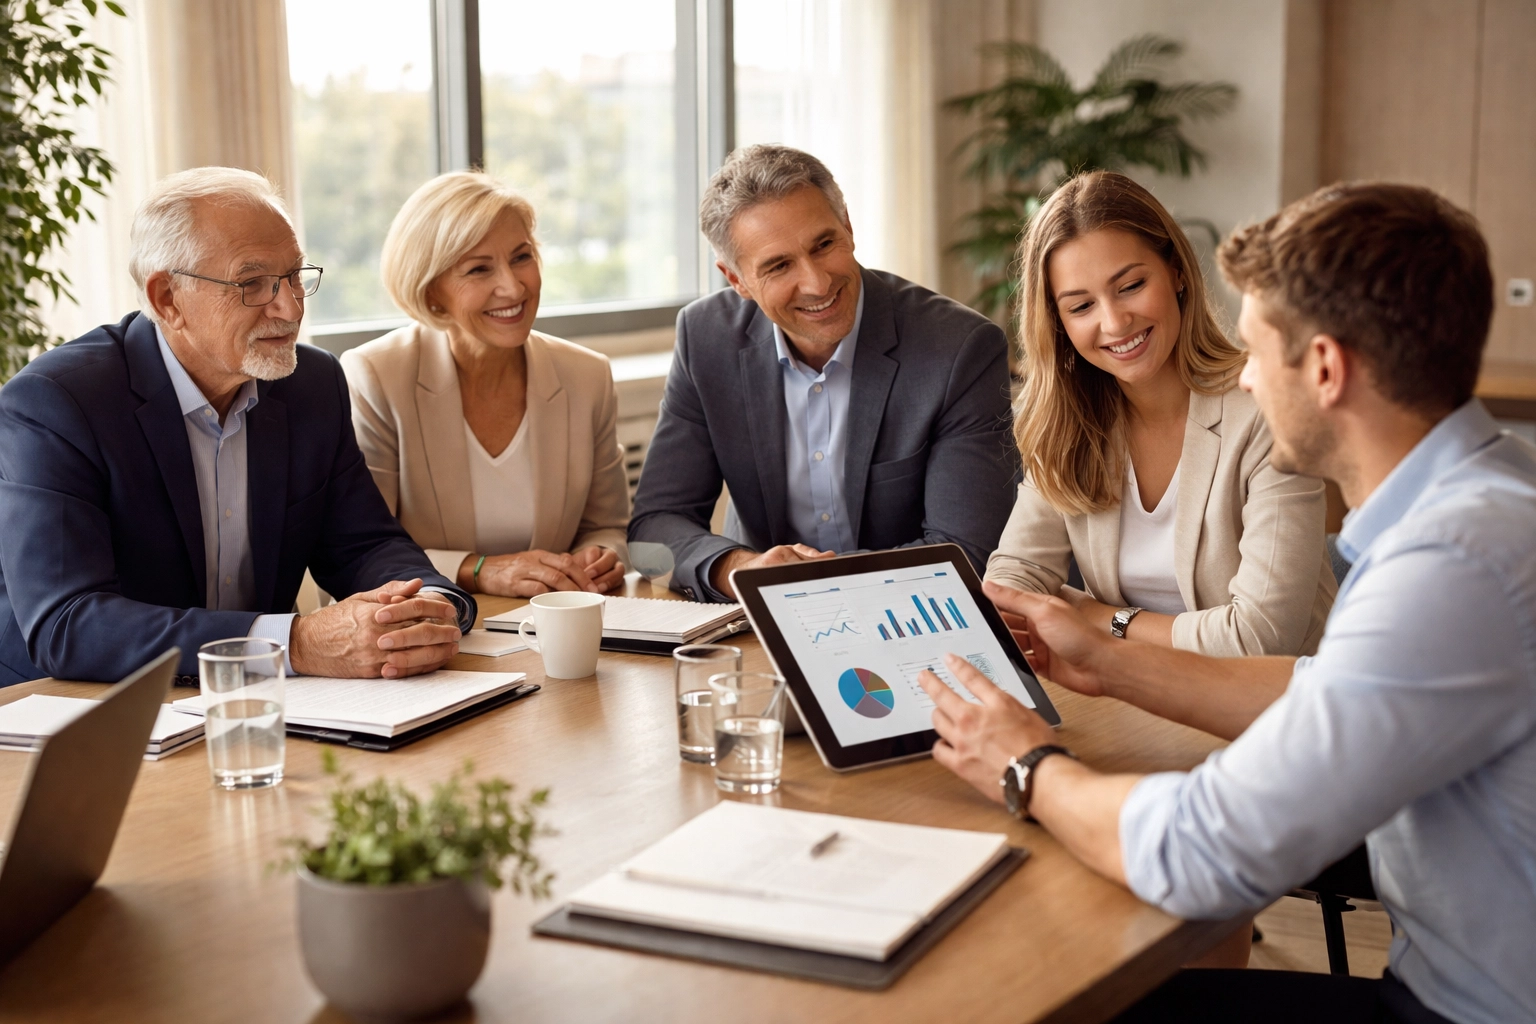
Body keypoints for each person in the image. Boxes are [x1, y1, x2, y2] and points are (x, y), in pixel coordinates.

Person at [919, 182, 1534, 1023]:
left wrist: (1025, 766)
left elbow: (1204, 850)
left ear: (1323, 367)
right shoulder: (1488, 500)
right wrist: (1110, 664)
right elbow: (1321, 686)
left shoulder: (1448, 566)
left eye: (1254, 348)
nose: (1241, 373)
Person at [0, 167, 475, 687]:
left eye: (295, 276)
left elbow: (362, 545)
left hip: (259, 701)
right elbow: (69, 625)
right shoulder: (57, 402)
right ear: (167, 299)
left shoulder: (311, 383)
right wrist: (295, 642)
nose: (290, 307)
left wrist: (428, 604)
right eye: (253, 284)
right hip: (73, 708)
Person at [630, 144, 1019, 601]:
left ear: (848, 228)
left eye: (824, 244)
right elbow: (651, 536)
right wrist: (742, 569)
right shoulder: (705, 339)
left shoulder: (957, 348)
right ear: (737, 281)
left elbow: (967, 553)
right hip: (761, 626)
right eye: (778, 266)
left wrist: (804, 588)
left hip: (911, 619)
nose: (817, 283)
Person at [987, 171, 1335, 656]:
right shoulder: (1065, 424)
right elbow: (1015, 579)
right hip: (1132, 697)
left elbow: (1259, 638)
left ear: (1176, 271)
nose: (1113, 322)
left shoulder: (1265, 412)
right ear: (1059, 323)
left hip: (1272, 708)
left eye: (1130, 285)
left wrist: (1095, 618)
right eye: (1081, 305)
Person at [342, 172, 630, 598]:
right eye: (479, 269)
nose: (513, 287)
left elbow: (607, 525)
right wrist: (479, 570)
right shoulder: (377, 376)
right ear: (431, 290)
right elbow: (359, 551)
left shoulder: (587, 376)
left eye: (522, 257)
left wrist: (598, 557)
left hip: (552, 625)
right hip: (437, 626)